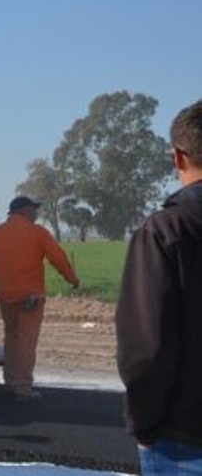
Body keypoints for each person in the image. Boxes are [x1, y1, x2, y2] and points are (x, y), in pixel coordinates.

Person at [116, 100, 202, 474]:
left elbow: (148, 349)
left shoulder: (166, 232)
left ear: (178, 158)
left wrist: (145, 424)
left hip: (184, 440)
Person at [0, 195, 80, 402]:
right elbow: (57, 258)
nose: (36, 214)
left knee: (11, 337)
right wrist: (72, 278)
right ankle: (23, 388)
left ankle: (10, 381)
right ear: (25, 211)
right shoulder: (38, 233)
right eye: (34, 210)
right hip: (30, 297)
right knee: (26, 341)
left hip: (5, 296)